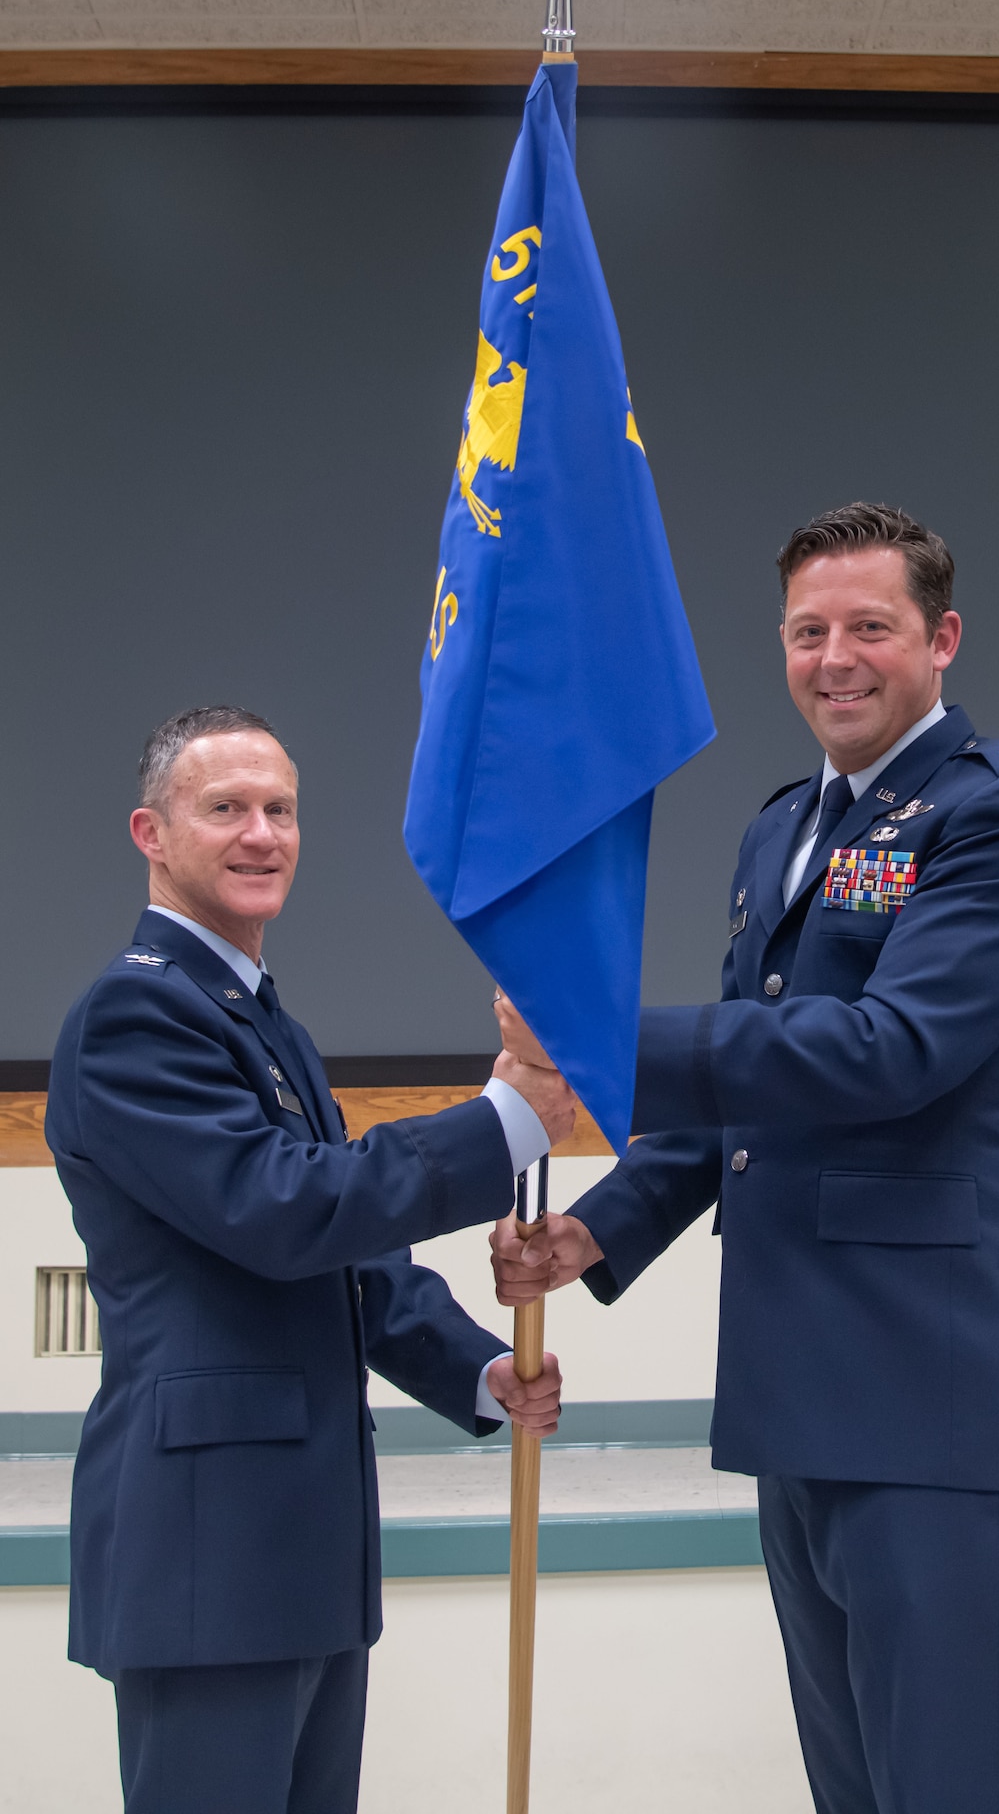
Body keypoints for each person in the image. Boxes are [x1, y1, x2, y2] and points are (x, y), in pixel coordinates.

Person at [491, 503, 999, 1814]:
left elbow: (886, 1051)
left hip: (931, 1398)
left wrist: (593, 1039)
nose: (835, 658)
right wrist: (599, 1227)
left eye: (869, 627)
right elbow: (753, 1088)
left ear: (940, 640)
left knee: (952, 1785)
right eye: (807, 631)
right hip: (794, 1392)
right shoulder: (781, 831)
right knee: (856, 1790)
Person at [46, 703, 573, 1814]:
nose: (261, 834)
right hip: (210, 1550)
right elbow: (282, 1209)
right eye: (224, 808)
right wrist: (501, 1123)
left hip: (302, 1550)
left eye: (280, 809)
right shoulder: (137, 1014)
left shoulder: (259, 1017)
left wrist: (476, 1368)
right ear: (151, 831)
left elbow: (342, 1257)